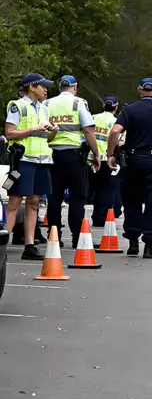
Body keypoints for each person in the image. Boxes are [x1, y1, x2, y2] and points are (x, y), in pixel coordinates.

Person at [107, 78, 152, 259]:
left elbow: (115, 131)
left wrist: (110, 154)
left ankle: (132, 242)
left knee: (131, 201)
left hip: (132, 160)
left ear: (140, 90)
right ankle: (149, 245)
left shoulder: (130, 110)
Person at [4, 73, 58, 260]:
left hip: (42, 160)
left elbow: (46, 138)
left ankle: (29, 246)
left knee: (34, 202)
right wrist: (35, 128)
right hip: (24, 160)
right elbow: (10, 134)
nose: (46, 89)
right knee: (15, 203)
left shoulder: (44, 109)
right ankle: (3, 245)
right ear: (32, 87)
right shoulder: (17, 105)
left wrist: (53, 132)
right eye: (43, 86)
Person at [44, 75, 100, 249]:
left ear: (60, 87)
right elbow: (89, 130)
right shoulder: (78, 103)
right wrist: (96, 154)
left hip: (51, 155)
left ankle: (54, 236)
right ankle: (77, 237)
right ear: (74, 88)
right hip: (74, 156)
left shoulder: (47, 103)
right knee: (77, 197)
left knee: (54, 197)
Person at [90, 96, 123, 227]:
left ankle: (96, 216)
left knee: (95, 189)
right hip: (107, 159)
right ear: (116, 108)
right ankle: (102, 217)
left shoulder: (93, 118)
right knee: (107, 190)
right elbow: (119, 142)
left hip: (92, 158)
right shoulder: (115, 122)